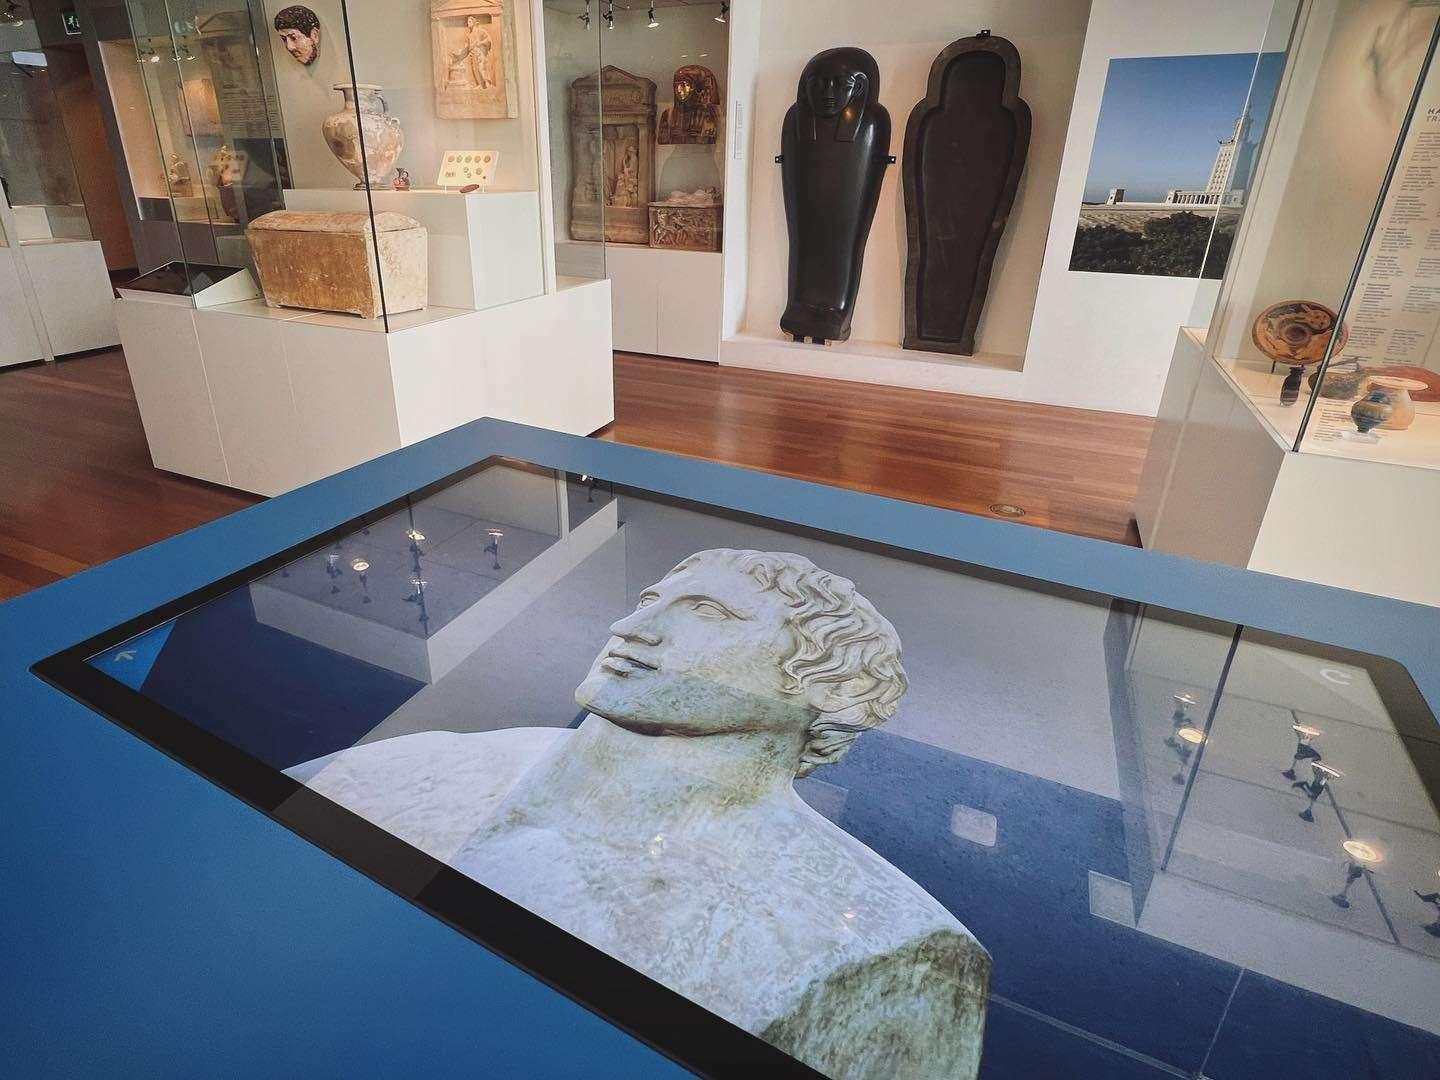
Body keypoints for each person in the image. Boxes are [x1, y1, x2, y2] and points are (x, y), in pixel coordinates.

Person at [288, 549, 990, 1079]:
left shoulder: (894, 946)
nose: (630, 627)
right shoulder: (432, 765)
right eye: (651, 599)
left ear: (827, 685)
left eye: (709, 612)